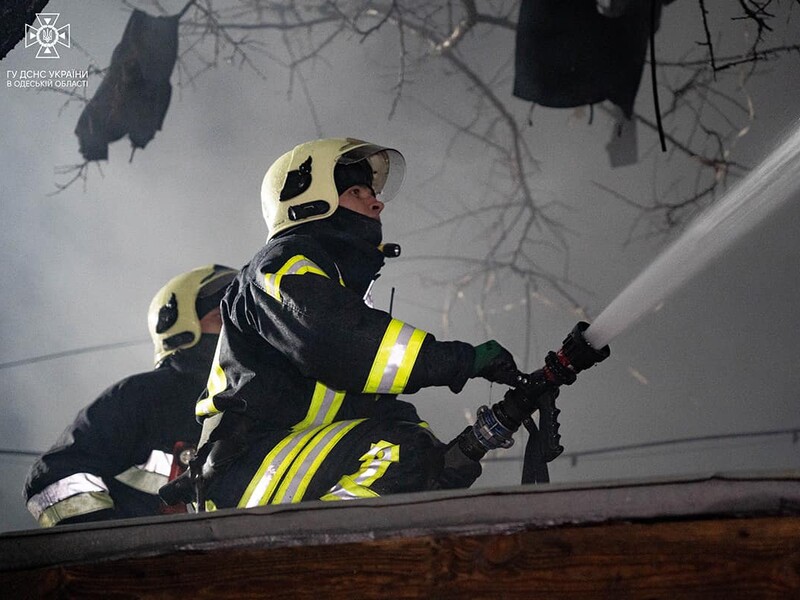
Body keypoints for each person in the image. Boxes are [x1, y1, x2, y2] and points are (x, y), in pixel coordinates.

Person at [165, 138, 525, 511]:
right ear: (308, 199)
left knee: (416, 449)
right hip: (242, 473)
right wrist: (464, 360)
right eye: (357, 191)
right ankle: (329, 550)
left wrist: (439, 467)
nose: (377, 202)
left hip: (279, 467)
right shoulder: (281, 265)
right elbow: (343, 343)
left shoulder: (335, 289)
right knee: (398, 451)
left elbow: (371, 408)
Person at [24, 264, 237, 527]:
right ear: (177, 325)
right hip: (144, 565)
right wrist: (107, 541)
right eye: (220, 317)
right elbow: (53, 478)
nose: (233, 329)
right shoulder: (142, 397)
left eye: (239, 319)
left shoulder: (262, 403)